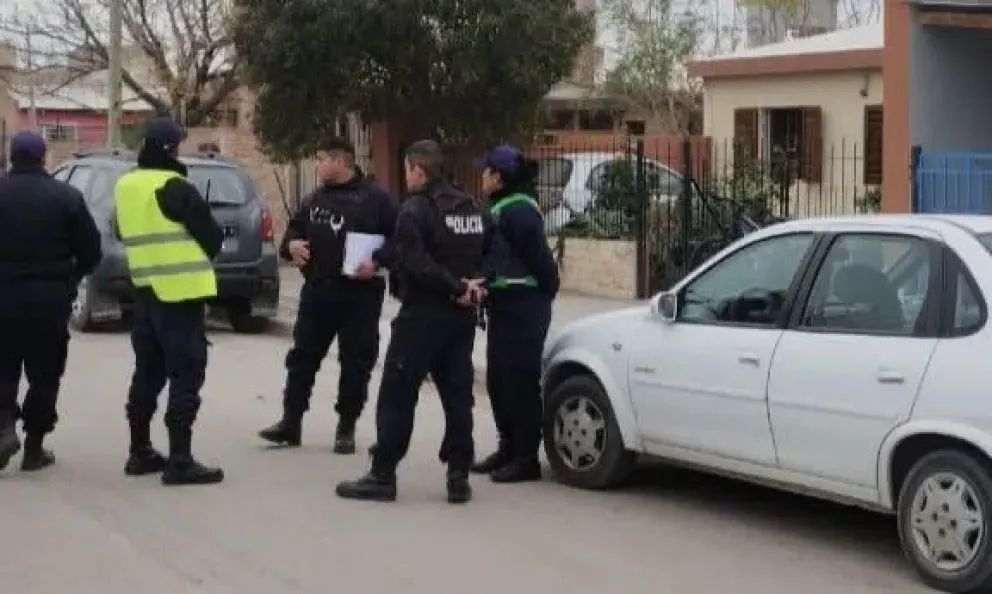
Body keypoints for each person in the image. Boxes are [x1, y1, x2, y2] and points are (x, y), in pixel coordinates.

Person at [336, 139, 493, 504]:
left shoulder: (415, 210)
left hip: (423, 316)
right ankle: (458, 476)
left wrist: (455, 288)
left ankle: (383, 473)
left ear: (419, 170)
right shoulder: (472, 208)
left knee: (397, 393)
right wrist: (473, 286)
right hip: (461, 319)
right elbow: (492, 252)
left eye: (407, 169)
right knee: (458, 396)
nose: (406, 176)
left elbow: (417, 263)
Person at [258, 138, 398, 454]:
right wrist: (292, 246)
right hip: (318, 291)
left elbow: (399, 238)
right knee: (302, 358)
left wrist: (377, 261)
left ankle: (346, 427)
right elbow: (292, 235)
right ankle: (290, 422)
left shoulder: (376, 199)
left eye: (320, 159)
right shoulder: (315, 200)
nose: (317, 164)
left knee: (356, 362)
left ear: (340, 161)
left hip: (360, 295)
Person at [115, 117, 225, 486]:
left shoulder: (126, 184)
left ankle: (139, 450)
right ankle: (180, 459)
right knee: (186, 372)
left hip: (145, 291)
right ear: (170, 149)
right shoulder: (175, 186)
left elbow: (119, 228)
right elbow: (211, 236)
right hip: (181, 294)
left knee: (147, 371)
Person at [0, 131, 102, 472]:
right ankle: (34, 447)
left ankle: (3, 428)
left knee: (3, 367)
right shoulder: (66, 197)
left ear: (12, 156)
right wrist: (71, 278)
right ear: (43, 157)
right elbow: (91, 251)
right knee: (45, 374)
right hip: (49, 297)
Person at [472, 144, 559, 482]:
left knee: (520, 381)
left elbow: (540, 262)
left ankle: (526, 458)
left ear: (500, 176)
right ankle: (507, 446)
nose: (481, 177)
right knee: (499, 380)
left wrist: (545, 292)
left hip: (525, 303)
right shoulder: (497, 206)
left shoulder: (519, 211)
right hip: (503, 303)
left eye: (486, 171)